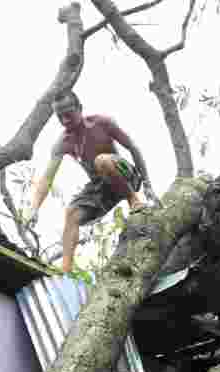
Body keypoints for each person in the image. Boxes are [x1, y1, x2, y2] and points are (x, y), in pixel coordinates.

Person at [24, 91, 158, 273]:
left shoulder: (102, 123)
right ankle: (65, 270)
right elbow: (47, 178)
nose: (65, 120)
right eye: (60, 116)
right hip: (101, 187)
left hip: (124, 174)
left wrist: (148, 185)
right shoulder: (63, 143)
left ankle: (133, 200)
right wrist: (33, 208)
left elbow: (133, 148)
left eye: (68, 114)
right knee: (71, 213)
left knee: (101, 161)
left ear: (79, 108)